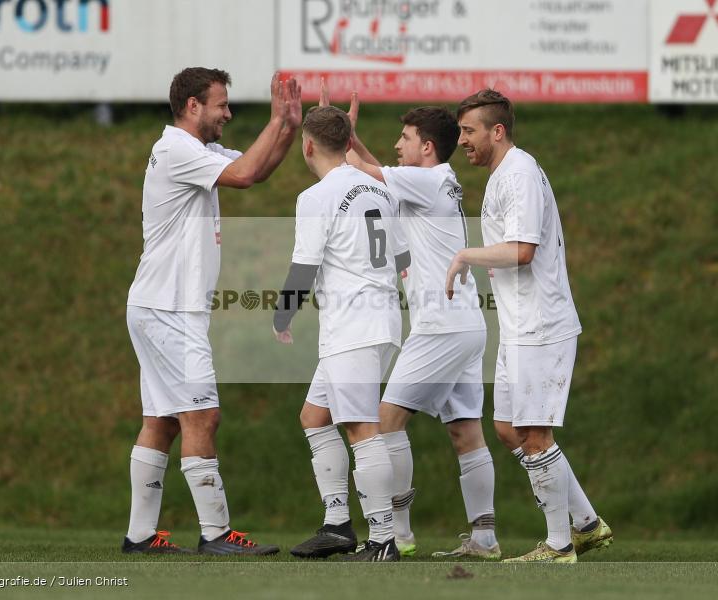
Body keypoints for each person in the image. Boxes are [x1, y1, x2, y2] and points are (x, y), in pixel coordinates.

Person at [122, 67, 301, 555]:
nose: (228, 113)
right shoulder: (178, 149)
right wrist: (276, 118)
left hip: (161, 305)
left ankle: (139, 536)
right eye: (221, 104)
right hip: (169, 308)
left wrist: (287, 126)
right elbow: (243, 175)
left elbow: (257, 169)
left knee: (162, 420)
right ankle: (217, 534)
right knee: (204, 415)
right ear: (193, 106)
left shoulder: (196, 152)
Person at [447, 89, 613, 563]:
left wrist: (466, 256)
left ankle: (560, 545)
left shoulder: (518, 172)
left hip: (541, 323)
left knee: (535, 433)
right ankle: (585, 523)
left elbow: (523, 250)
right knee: (506, 428)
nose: (462, 141)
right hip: (520, 324)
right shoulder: (506, 173)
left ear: (497, 131)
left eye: (469, 131)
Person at [335, 90, 498, 559]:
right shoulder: (434, 179)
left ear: (426, 146)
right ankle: (485, 538)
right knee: (466, 432)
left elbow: (357, 168)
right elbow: (377, 168)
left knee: (385, 423)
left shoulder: (425, 182)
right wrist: (353, 138)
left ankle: (399, 535)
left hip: (441, 325)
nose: (396, 146)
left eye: (404, 138)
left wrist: (336, 129)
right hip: (467, 324)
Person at [273, 105, 408, 562]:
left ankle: (384, 540)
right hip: (381, 322)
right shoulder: (382, 190)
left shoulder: (316, 197)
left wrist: (282, 315)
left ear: (307, 146)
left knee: (361, 430)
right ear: (349, 143)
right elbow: (403, 260)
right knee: (314, 417)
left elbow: (304, 267)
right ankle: (337, 525)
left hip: (353, 327)